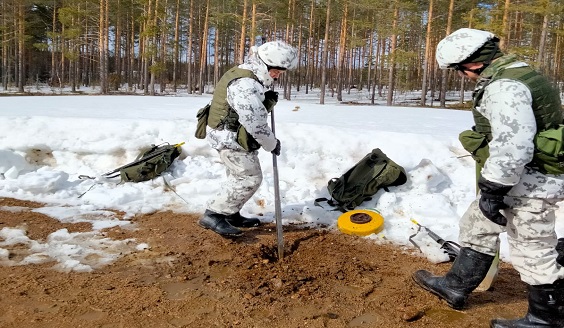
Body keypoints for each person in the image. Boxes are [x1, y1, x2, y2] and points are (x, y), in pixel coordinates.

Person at [412, 28, 564, 327]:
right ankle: (455, 285)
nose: (461, 77)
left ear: (473, 63)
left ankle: (546, 319)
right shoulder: (515, 73)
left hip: (534, 180)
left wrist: (494, 189)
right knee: (477, 222)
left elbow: (513, 145)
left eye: (459, 71)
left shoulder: (504, 88)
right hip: (521, 176)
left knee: (532, 247)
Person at [198, 40, 298, 237]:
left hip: (228, 133)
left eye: (281, 72)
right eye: (276, 70)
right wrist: (271, 143)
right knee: (249, 177)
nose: (278, 75)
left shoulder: (251, 74)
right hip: (228, 137)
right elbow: (255, 123)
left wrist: (266, 92)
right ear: (264, 64)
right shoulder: (245, 84)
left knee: (237, 175)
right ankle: (214, 214)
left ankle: (231, 213)